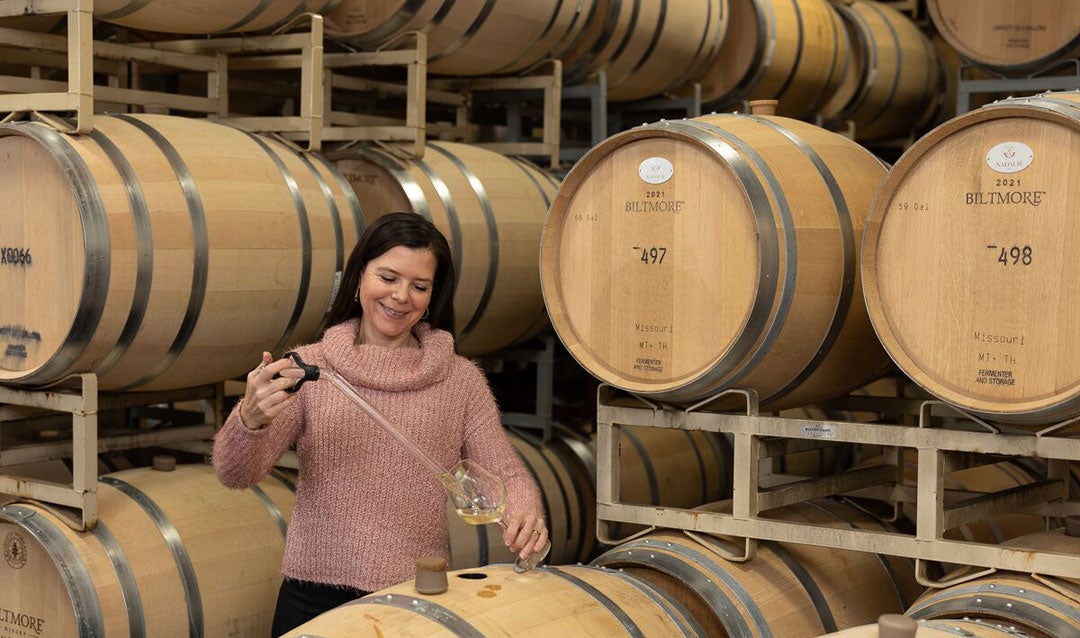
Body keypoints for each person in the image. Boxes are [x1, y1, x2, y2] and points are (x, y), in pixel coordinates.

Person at [212, 212, 548, 636]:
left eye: (419, 286)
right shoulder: (310, 368)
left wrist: (525, 512)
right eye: (388, 277)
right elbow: (235, 473)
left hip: (416, 599)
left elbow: (505, 474)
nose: (400, 296)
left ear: (432, 296)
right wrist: (249, 419)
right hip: (313, 596)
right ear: (358, 278)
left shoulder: (460, 379)